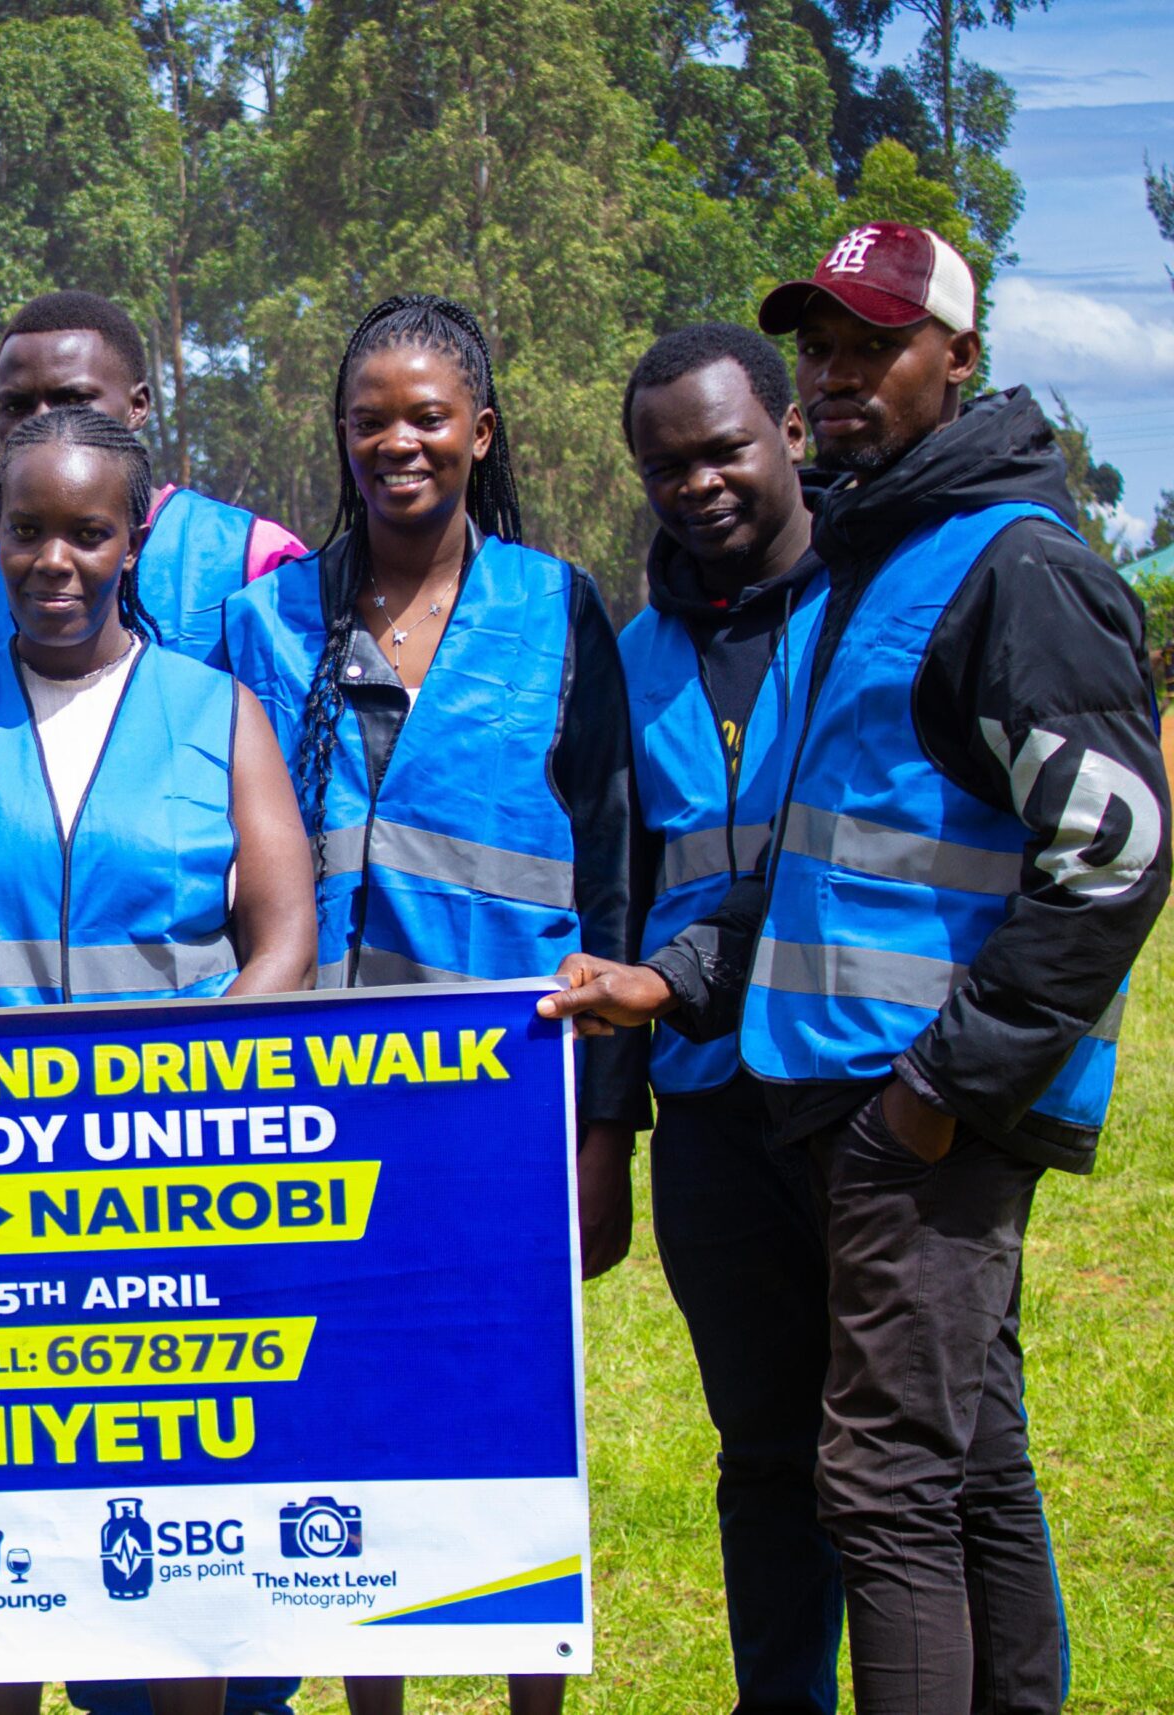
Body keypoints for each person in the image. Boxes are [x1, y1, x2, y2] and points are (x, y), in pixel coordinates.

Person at [543, 222, 1169, 1715]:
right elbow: (832, 868)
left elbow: (1117, 851)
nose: (837, 377)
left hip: (907, 1101)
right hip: (797, 1088)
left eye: (871, 346)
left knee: (886, 1491)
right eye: (820, 347)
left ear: (961, 352)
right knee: (963, 1468)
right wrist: (672, 982)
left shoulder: (1006, 563)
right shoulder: (894, 555)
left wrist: (946, 1089)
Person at [0, 404, 316, 1715]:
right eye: (26, 531)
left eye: (87, 534)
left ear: (135, 541)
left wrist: (180, 1083)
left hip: (185, 1187)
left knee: (181, 1528)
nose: (55, 559)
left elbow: (283, 939)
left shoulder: (218, 712)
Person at [219, 293, 646, 1715]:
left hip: (507, 1094)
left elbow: (613, 856)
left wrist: (607, 1128)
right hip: (313, 1090)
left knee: (510, 1397)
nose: (397, 442)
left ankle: (533, 1688)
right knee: (339, 1402)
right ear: (339, 438)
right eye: (368, 420)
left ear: (481, 430)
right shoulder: (264, 619)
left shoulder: (558, 603)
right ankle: (375, 1690)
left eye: (426, 416)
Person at [616, 322, 843, 1714]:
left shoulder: (873, 609)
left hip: (862, 1084)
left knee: (919, 1445)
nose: (696, 482)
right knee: (762, 1443)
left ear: (789, 434)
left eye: (723, 448)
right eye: (664, 464)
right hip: (705, 1100)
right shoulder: (629, 651)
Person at [0, 290, 306, 679]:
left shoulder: (256, 561)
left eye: (72, 400)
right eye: (16, 406)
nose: (41, 424)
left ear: (138, 406)